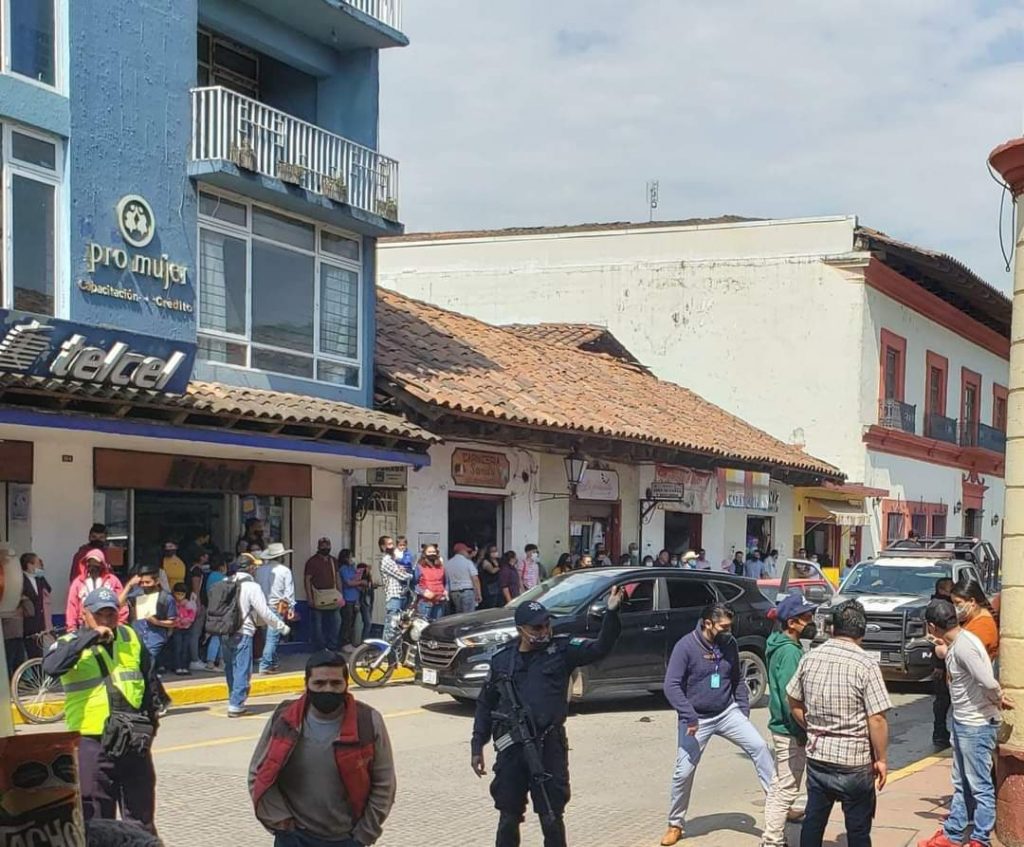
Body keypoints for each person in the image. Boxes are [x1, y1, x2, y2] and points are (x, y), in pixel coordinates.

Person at [471, 587, 624, 847]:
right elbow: (486, 705)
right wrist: (477, 746)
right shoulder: (503, 660)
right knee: (508, 816)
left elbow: (600, 648)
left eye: (545, 625)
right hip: (512, 750)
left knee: (551, 816)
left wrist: (611, 612)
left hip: (548, 746)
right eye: (536, 628)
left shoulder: (562, 650)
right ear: (521, 630)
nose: (543, 631)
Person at [43, 587, 161, 833]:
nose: (106, 621)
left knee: (141, 819)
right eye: (100, 615)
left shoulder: (130, 637)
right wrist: (90, 637)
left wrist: (150, 727)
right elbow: (52, 667)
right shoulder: (69, 643)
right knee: (97, 821)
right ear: (85, 614)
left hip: (132, 741)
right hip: (92, 742)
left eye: (111, 614)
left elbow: (150, 684)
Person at [249, 651, 396, 846]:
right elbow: (258, 774)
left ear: (346, 685)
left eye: (336, 684)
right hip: (294, 838)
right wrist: (282, 824)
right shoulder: (285, 718)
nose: (328, 689)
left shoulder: (369, 721)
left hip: (346, 839)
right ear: (306, 685)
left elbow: (384, 784)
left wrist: (363, 836)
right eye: (319, 683)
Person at [660, 603, 774, 845]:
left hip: (727, 711)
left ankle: (778, 808)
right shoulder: (686, 646)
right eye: (723, 626)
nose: (727, 630)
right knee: (684, 772)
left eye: (729, 626)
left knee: (760, 747)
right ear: (707, 624)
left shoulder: (729, 644)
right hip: (696, 719)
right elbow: (671, 686)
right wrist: (688, 715)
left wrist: (742, 711)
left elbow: (737, 679)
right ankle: (675, 824)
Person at [786, 600, 891, 847]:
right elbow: (876, 718)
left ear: (832, 629)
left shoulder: (811, 657)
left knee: (813, 821)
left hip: (819, 757)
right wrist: (882, 758)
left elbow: (793, 699)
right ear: (862, 633)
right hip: (854, 763)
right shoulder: (865, 663)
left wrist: (810, 727)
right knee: (857, 829)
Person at [919, 599, 1014, 847]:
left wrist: (998, 699)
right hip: (964, 723)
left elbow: (987, 681)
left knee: (979, 786)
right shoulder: (959, 643)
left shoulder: (964, 647)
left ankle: (980, 839)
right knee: (962, 783)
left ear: (932, 626)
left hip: (976, 725)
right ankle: (953, 833)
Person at [761, 594, 819, 847]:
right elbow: (790, 698)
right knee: (786, 788)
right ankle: (772, 840)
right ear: (792, 623)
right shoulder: (789, 653)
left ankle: (774, 837)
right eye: (807, 618)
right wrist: (802, 729)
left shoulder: (780, 645)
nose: (812, 622)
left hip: (783, 727)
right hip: (789, 729)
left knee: (780, 785)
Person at [213, 552, 291, 718]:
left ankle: (233, 697)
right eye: (254, 566)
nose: (256, 569)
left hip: (224, 631)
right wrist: (281, 626)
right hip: (243, 631)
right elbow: (264, 612)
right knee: (242, 668)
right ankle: (236, 704)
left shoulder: (224, 582)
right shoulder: (252, 587)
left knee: (230, 667)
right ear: (249, 568)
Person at [120, 564, 177, 674]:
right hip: (137, 636)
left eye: (147, 582)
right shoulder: (137, 594)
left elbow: (173, 622)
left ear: (156, 582)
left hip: (154, 638)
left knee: (147, 665)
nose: (144, 585)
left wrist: (157, 622)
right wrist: (129, 585)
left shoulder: (166, 598)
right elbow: (118, 604)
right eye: (142, 583)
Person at [255, 543, 296, 675]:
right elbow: (288, 592)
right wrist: (291, 608)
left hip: (261, 607)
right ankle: (265, 665)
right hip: (277, 607)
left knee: (268, 636)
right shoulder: (285, 571)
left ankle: (273, 663)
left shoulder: (260, 570)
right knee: (272, 638)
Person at [68, 549, 127, 631]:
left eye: (96, 563)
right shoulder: (78, 582)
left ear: (102, 564)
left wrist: (121, 622)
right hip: (84, 625)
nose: (93, 566)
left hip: (109, 624)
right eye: (90, 563)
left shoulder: (112, 580)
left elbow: (122, 602)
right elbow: (72, 605)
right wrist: (71, 627)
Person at [304, 538, 342, 652]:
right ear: (318, 547)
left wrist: (341, 594)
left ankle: (332, 646)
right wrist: (309, 597)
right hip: (318, 596)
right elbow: (307, 580)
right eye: (323, 546)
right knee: (317, 625)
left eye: (328, 545)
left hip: (333, 595)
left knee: (336, 622)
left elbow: (338, 577)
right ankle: (320, 648)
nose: (326, 548)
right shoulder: (312, 561)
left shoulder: (333, 561)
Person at [931, 577, 955, 747]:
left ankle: (940, 731)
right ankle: (939, 732)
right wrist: (939, 666)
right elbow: (937, 638)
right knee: (943, 699)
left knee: (943, 699)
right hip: (942, 659)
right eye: (950, 588)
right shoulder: (941, 608)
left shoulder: (936, 605)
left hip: (943, 659)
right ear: (942, 589)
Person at [950, 578, 999, 660]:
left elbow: (967, 655)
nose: (955, 607)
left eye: (957, 602)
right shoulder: (973, 618)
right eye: (953, 603)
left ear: (972, 601)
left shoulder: (983, 624)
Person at [19, 552, 52, 657]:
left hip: (40, 622)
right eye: (37, 563)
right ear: (29, 565)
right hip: (27, 623)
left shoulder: (39, 578)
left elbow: (48, 589)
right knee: (29, 653)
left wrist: (41, 574)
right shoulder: (21, 579)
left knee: (39, 653)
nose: (39, 566)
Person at [379, 536, 411, 642]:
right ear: (383, 547)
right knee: (391, 627)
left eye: (392, 544)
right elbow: (401, 575)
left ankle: (396, 652)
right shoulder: (386, 560)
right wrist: (413, 575)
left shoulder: (394, 560)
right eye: (389, 544)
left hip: (402, 595)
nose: (392, 546)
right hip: (394, 597)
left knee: (399, 627)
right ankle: (387, 654)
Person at [203, 555, 228, 670]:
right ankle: (221, 661)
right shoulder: (223, 578)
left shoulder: (210, 577)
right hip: (222, 610)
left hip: (211, 608)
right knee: (222, 637)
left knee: (215, 635)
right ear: (222, 566)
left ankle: (211, 661)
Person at [338, 552, 366, 648]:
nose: (352, 559)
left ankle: (350, 641)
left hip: (355, 598)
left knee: (352, 622)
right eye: (350, 557)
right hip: (347, 599)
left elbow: (356, 579)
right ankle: (344, 643)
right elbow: (349, 583)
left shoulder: (352, 568)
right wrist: (361, 582)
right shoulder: (343, 569)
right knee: (347, 622)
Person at [414, 544, 448, 620]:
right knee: (424, 626)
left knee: (437, 626)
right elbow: (414, 584)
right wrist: (423, 592)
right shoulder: (419, 567)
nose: (432, 554)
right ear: (424, 554)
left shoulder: (441, 567)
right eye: (429, 552)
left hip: (439, 602)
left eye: (434, 552)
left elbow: (446, 582)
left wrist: (446, 591)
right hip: (425, 603)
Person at [168, 583, 196, 676]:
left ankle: (184, 666)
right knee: (177, 648)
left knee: (185, 648)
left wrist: (185, 620)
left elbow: (192, 616)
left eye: (182, 594)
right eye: (178, 594)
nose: (179, 596)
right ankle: (177, 667)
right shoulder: (172, 603)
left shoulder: (189, 604)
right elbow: (171, 615)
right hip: (177, 629)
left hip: (186, 628)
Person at [446, 542, 481, 614]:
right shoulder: (468, 562)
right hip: (467, 591)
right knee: (469, 615)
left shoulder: (448, 563)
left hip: (454, 592)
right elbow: (475, 579)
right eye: (466, 551)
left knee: (459, 615)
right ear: (461, 551)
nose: (467, 553)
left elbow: (447, 579)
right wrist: (478, 593)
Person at [356, 560, 376, 642]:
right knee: (367, 623)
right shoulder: (360, 579)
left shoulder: (368, 578)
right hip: (364, 602)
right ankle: (364, 641)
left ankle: (365, 640)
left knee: (368, 622)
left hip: (369, 601)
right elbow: (361, 589)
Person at [477, 544, 502, 609]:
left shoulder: (498, 560)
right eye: (492, 551)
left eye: (496, 551)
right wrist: (499, 567)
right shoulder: (485, 561)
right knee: (490, 604)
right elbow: (492, 571)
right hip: (489, 586)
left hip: (497, 585)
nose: (495, 553)